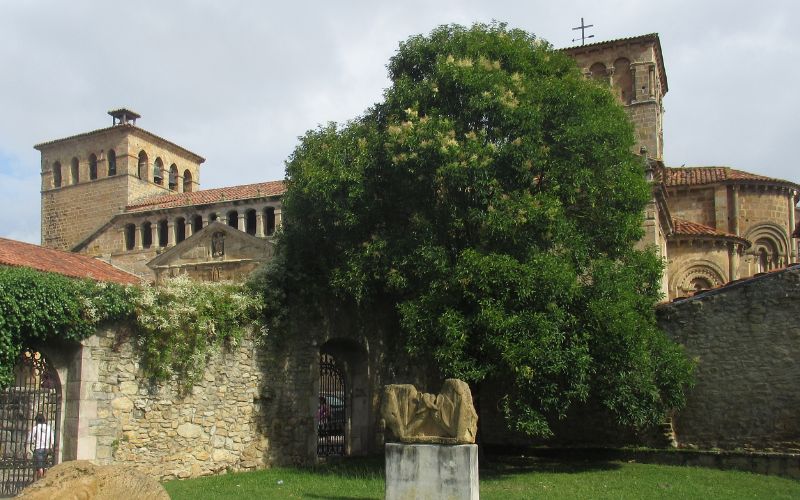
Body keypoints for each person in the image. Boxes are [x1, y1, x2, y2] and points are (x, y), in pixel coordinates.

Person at [28, 414, 54, 479]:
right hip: (47, 448)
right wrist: (51, 446)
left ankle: (41, 480)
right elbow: (52, 439)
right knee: (44, 464)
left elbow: (29, 439)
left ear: (36, 421)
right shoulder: (49, 428)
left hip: (38, 448)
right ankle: (44, 477)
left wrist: (33, 441)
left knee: (39, 466)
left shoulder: (35, 428)